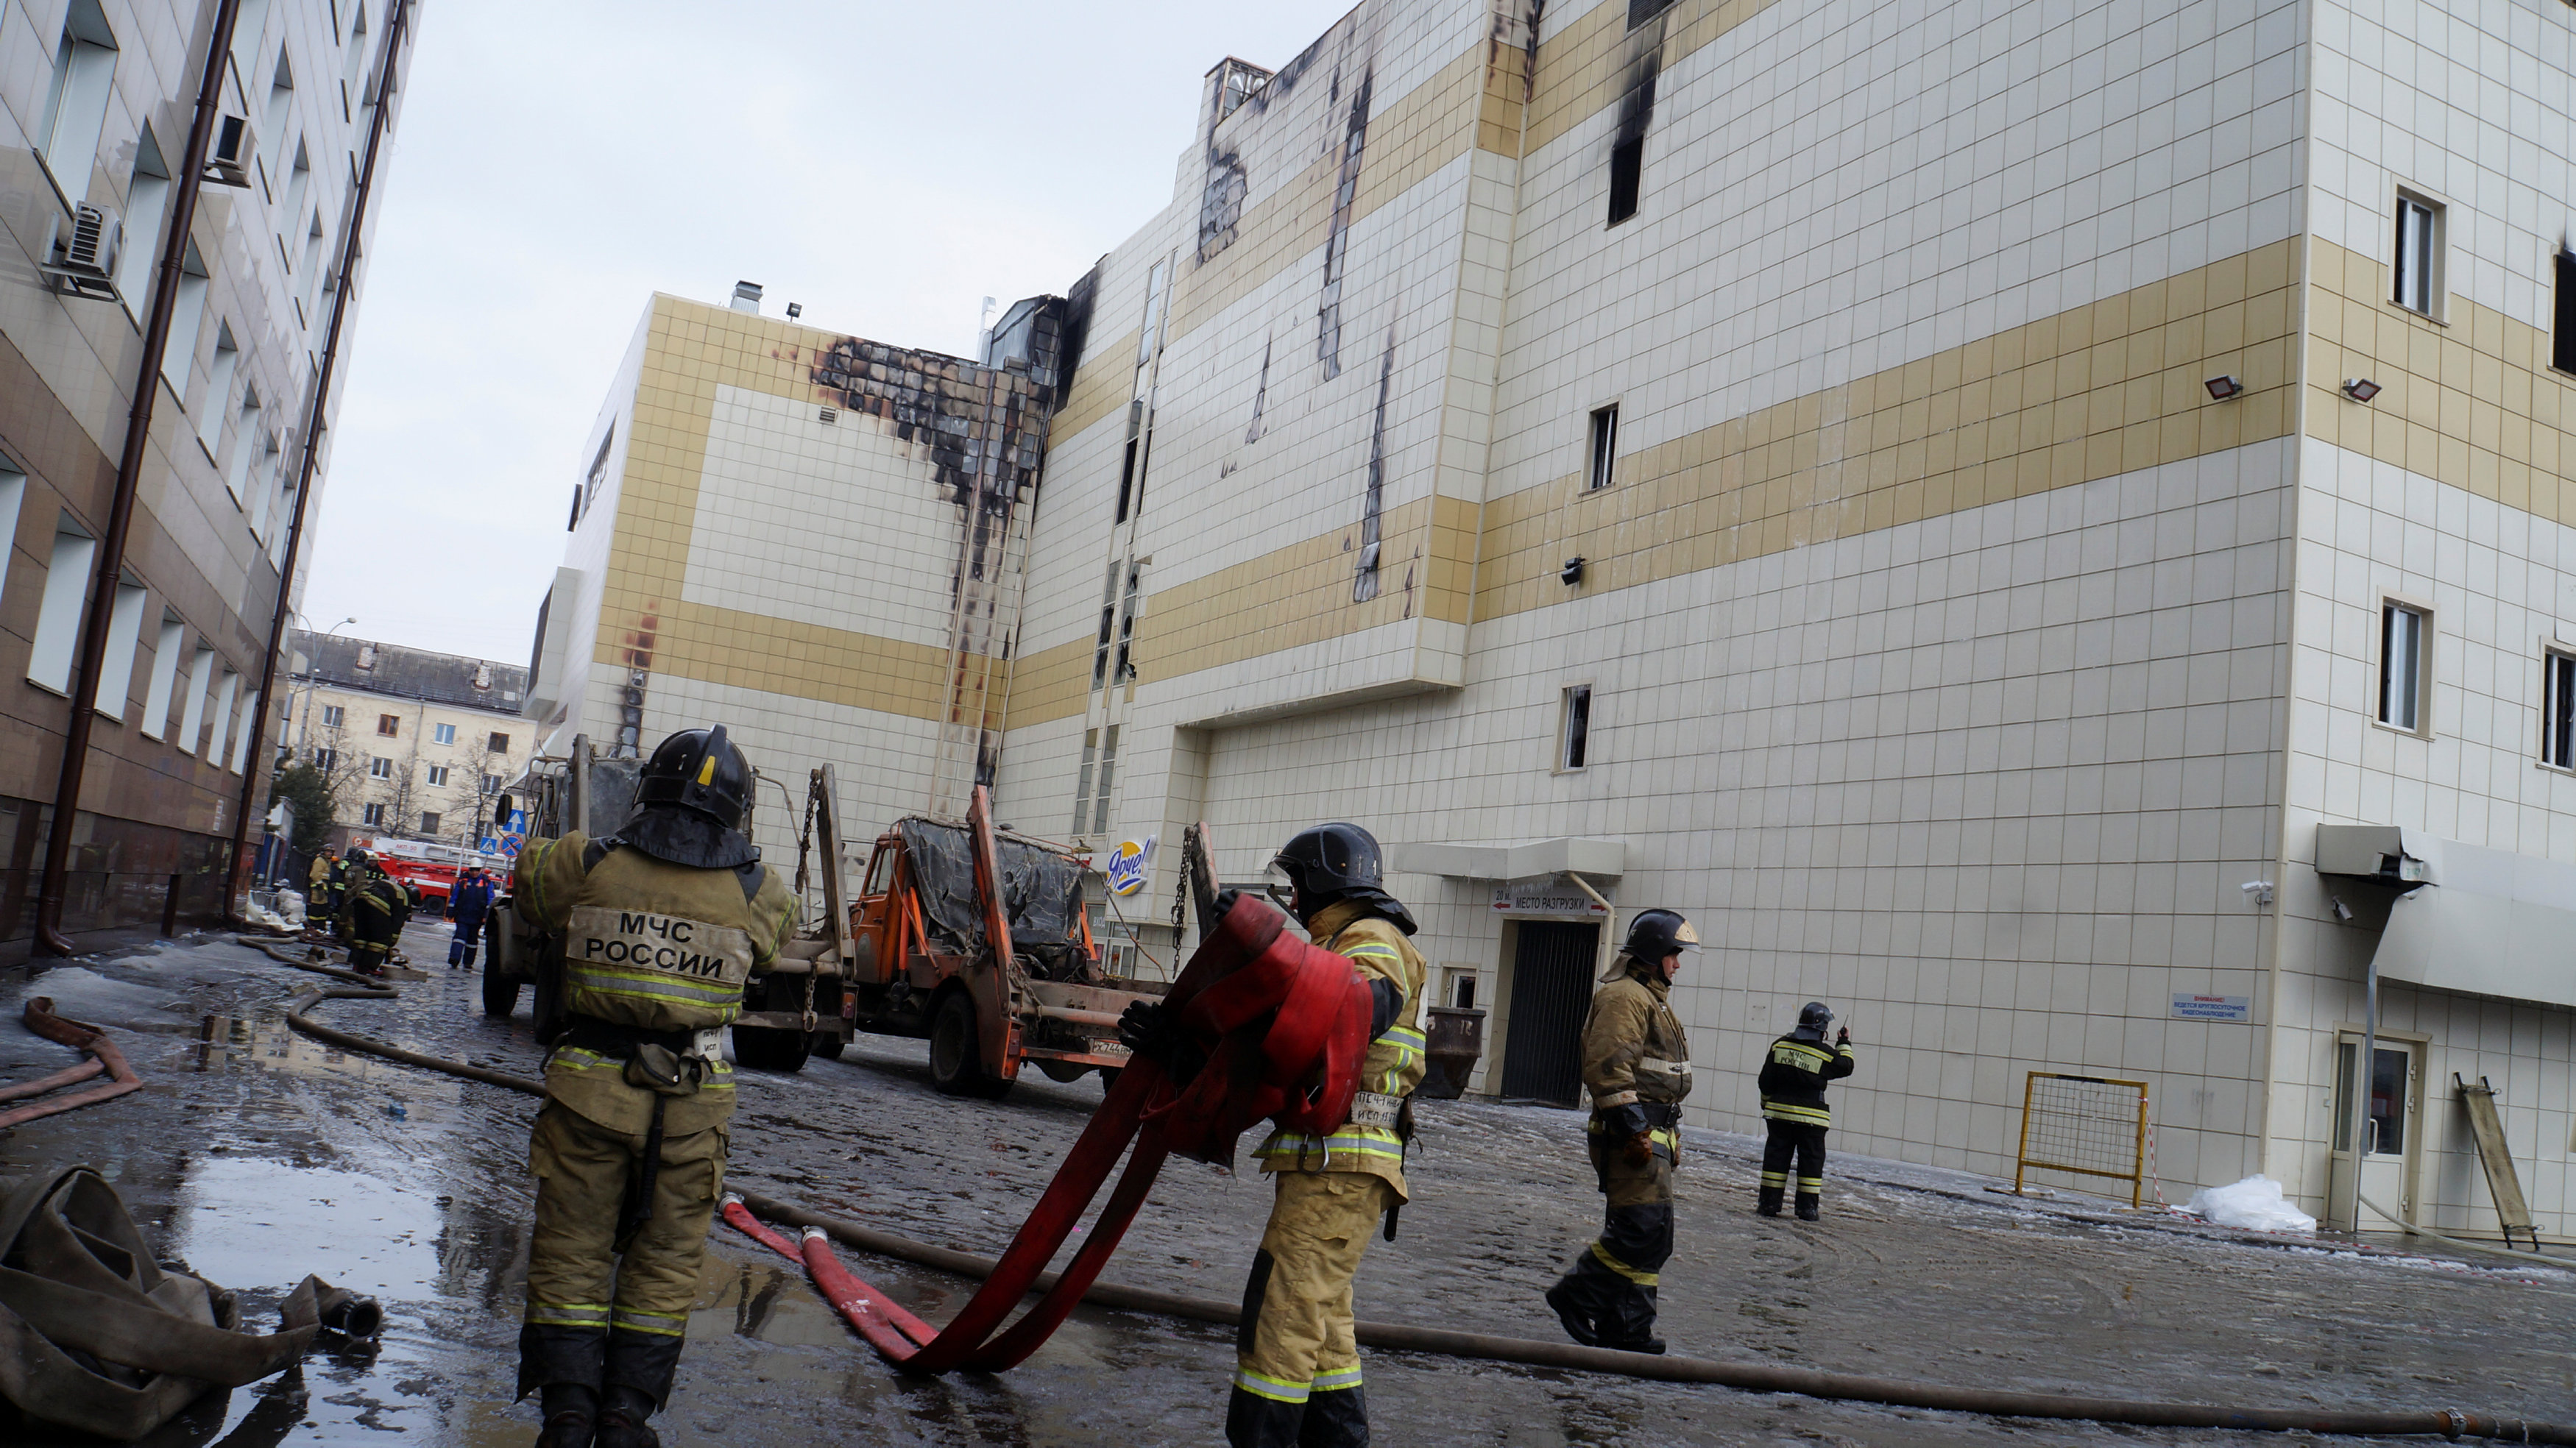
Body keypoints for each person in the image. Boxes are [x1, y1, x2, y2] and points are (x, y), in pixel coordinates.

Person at [512, 725, 796, 1448]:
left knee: (571, 1251)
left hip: (586, 1095)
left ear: (647, 791)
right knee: (667, 1264)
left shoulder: (585, 863)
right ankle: (625, 1421)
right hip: (693, 1110)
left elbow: (527, 888)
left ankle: (567, 1417)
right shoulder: (761, 893)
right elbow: (773, 947)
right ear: (738, 810)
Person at [1125, 822, 1425, 1448]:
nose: (1292, 900)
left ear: (1321, 882)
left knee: (1281, 1316)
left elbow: (1351, 1009)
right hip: (1335, 1168)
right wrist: (1181, 1047)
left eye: (1296, 884)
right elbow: (1278, 1052)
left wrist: (1267, 960)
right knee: (1322, 1324)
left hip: (1340, 1168)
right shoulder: (1339, 942)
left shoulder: (1370, 937)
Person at [1545, 909, 1696, 1355]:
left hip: (1653, 1132)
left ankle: (1628, 1328)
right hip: (1634, 1132)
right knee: (1641, 1228)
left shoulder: (1651, 999)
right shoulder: (1625, 997)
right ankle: (1575, 1295)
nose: (1678, 964)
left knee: (1654, 1234)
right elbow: (1608, 1068)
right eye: (1674, 954)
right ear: (1653, 955)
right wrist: (1634, 1131)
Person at [1757, 1003, 1856, 1221]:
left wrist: (1767, 1105)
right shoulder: (1825, 1054)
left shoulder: (1779, 1046)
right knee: (1811, 1162)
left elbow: (1765, 1082)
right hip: (1811, 1120)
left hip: (1779, 1116)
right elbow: (1847, 1065)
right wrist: (1844, 1042)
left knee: (1776, 1160)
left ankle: (1769, 1204)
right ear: (1821, 1028)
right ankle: (1807, 1209)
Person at [341, 851, 406, 979]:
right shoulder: (403, 897)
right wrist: (392, 939)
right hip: (376, 901)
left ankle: (357, 964)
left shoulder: (392, 885)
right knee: (380, 939)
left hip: (360, 899)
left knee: (362, 935)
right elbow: (398, 919)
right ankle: (370, 967)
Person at [447, 864, 498, 970]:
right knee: (460, 937)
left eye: (476, 870)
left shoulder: (486, 883)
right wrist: (450, 911)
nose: (474, 872)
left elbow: (490, 900)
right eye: (472, 870)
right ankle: (454, 958)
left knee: (472, 940)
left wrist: (486, 915)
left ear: (480, 870)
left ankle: (468, 962)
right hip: (462, 914)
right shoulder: (463, 881)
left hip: (477, 917)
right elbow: (455, 897)